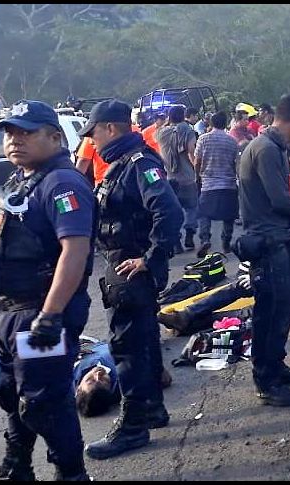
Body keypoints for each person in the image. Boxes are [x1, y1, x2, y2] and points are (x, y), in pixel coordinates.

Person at [0, 100, 95, 480]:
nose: (15, 140)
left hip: (40, 314)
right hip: (11, 312)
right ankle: (17, 466)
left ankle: (71, 473)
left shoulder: (61, 182)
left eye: (26, 132)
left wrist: (50, 315)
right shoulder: (22, 178)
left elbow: (75, 250)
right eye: (10, 132)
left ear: (54, 137)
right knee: (12, 395)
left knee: (45, 402)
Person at [78, 99, 183, 459]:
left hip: (130, 270)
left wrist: (151, 258)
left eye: (94, 135)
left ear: (111, 128)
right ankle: (152, 408)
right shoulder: (122, 165)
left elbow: (169, 211)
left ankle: (133, 426)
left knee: (127, 349)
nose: (92, 143)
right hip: (122, 266)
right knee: (145, 342)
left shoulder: (139, 164)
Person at [236, 91, 290, 407]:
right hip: (267, 244)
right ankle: (267, 381)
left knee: (281, 308)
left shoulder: (268, 146)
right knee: (270, 313)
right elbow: (279, 198)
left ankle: (276, 366)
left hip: (273, 238)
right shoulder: (266, 149)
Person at [194, 111, 239, 256]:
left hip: (208, 183)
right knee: (229, 216)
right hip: (228, 183)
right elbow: (235, 163)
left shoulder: (203, 139)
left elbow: (197, 161)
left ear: (211, 123)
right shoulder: (232, 141)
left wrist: (198, 176)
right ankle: (226, 242)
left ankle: (205, 239)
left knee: (203, 214)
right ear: (225, 124)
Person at [157, 105, 199, 254]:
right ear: (183, 116)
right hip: (187, 177)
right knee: (191, 207)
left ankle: (176, 242)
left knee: (173, 211)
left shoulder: (161, 132)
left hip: (168, 177)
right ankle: (189, 232)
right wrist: (197, 170)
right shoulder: (187, 130)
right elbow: (191, 152)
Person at [74, 336, 120, 418]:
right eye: (104, 380)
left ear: (78, 388)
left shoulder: (68, 378)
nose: (98, 374)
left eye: (90, 380)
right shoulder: (121, 376)